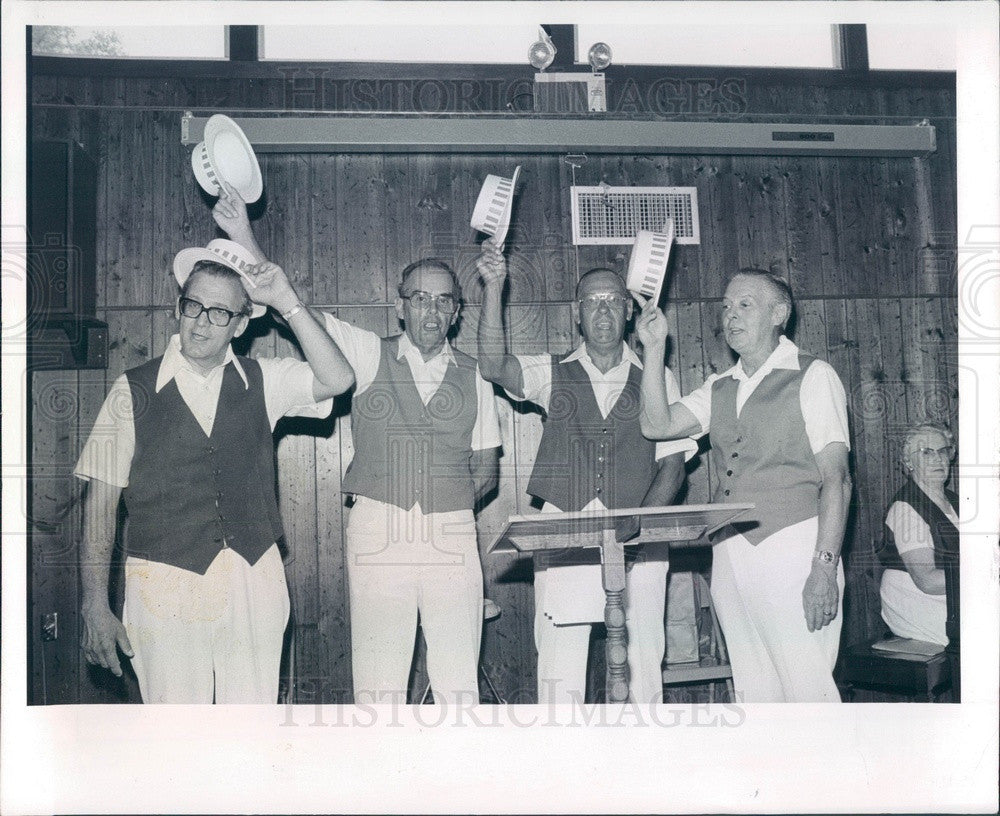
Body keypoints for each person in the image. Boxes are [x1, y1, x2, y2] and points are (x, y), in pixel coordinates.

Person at [77, 187, 356, 704]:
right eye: (192, 306)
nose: (201, 322)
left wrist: (288, 302)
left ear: (242, 324)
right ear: (178, 307)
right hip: (161, 582)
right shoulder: (131, 390)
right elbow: (99, 508)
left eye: (218, 313)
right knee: (176, 740)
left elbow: (338, 378)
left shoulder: (263, 379)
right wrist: (95, 603)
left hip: (253, 576)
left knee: (249, 736)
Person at [221, 203, 501, 706]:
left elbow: (486, 468)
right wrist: (244, 234)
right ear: (401, 307)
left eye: (444, 302)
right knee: (379, 682)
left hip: (453, 533)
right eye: (420, 299)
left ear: (457, 313)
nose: (432, 311)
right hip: (377, 530)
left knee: (460, 682)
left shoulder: (477, 375)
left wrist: (442, 507)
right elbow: (296, 309)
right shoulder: (370, 352)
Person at [477, 239, 694, 704]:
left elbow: (672, 468)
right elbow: (494, 365)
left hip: (640, 538)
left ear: (629, 313)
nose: (602, 312)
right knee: (561, 671)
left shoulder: (659, 375)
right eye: (592, 302)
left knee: (643, 668)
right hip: (564, 532)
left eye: (613, 301)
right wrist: (494, 287)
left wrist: (637, 523)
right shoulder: (551, 371)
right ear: (577, 313)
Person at [637, 268, 852, 703]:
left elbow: (838, 479)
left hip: (795, 546)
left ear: (779, 313)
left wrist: (824, 567)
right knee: (755, 692)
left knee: (807, 689)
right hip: (731, 552)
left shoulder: (813, 375)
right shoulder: (720, 386)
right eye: (726, 307)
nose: (730, 316)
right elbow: (656, 424)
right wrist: (654, 348)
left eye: (745, 305)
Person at [876, 422, 958, 647]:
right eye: (926, 452)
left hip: (951, 597)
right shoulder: (906, 507)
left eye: (943, 451)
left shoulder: (957, 502)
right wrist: (981, 576)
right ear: (908, 462)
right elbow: (927, 580)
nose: (938, 459)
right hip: (916, 600)